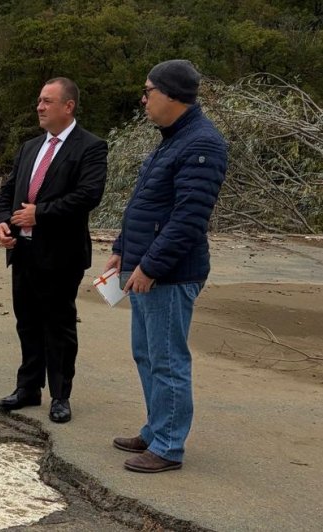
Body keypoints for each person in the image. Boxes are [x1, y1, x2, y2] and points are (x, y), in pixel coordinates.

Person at [105, 60, 227, 473]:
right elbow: (146, 202)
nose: (143, 99)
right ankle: (157, 429)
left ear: (172, 95)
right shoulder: (172, 138)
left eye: (149, 91)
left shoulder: (202, 144)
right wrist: (124, 248)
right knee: (147, 354)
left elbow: (188, 218)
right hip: (146, 268)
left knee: (168, 359)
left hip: (170, 274)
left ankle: (169, 446)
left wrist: (151, 266)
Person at [0, 78, 108, 423]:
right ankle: (28, 388)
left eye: (47, 101)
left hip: (61, 255)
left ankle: (60, 395)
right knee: (26, 323)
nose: (40, 107)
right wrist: (1, 222)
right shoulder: (30, 147)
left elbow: (89, 195)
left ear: (68, 106)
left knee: (57, 327)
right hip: (23, 252)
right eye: (39, 101)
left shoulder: (90, 147)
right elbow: (7, 192)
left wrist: (39, 213)